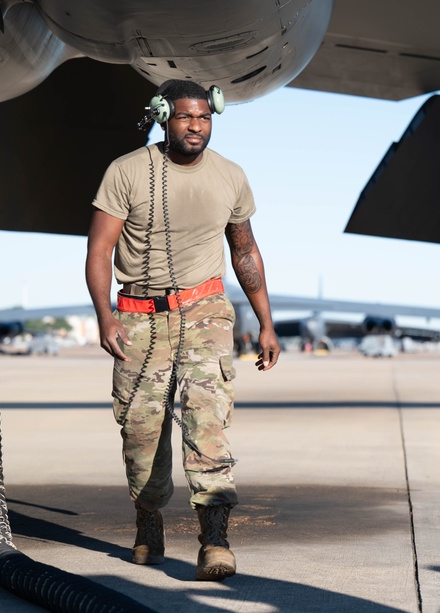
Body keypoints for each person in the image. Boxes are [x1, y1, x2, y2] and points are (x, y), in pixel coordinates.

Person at [85, 79, 280, 581]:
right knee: (141, 431)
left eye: (204, 117)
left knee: (206, 419)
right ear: (161, 116)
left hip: (205, 310)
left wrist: (266, 322)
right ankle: (149, 522)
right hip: (137, 315)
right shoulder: (126, 171)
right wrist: (106, 316)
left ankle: (215, 541)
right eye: (185, 117)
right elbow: (100, 251)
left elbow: (244, 251)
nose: (196, 126)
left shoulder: (230, 176)